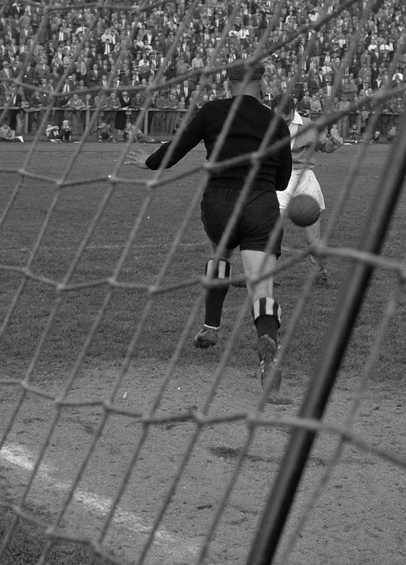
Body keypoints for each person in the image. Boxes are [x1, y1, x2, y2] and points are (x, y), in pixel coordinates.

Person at [125, 63, 292, 392]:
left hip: (219, 203)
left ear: (229, 83)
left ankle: (211, 325)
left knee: (220, 249)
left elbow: (176, 149)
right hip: (259, 202)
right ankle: (267, 350)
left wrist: (148, 161)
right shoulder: (276, 122)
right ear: (261, 83)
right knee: (261, 287)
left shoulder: (212, 112)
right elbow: (283, 180)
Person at [276, 94, 329, 285]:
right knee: (268, 229)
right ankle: (264, 273)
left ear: (293, 111)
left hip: (304, 178)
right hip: (279, 179)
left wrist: (334, 143)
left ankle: (320, 272)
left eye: (288, 118)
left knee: (312, 236)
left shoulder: (308, 126)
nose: (284, 122)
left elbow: (326, 147)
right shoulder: (267, 124)